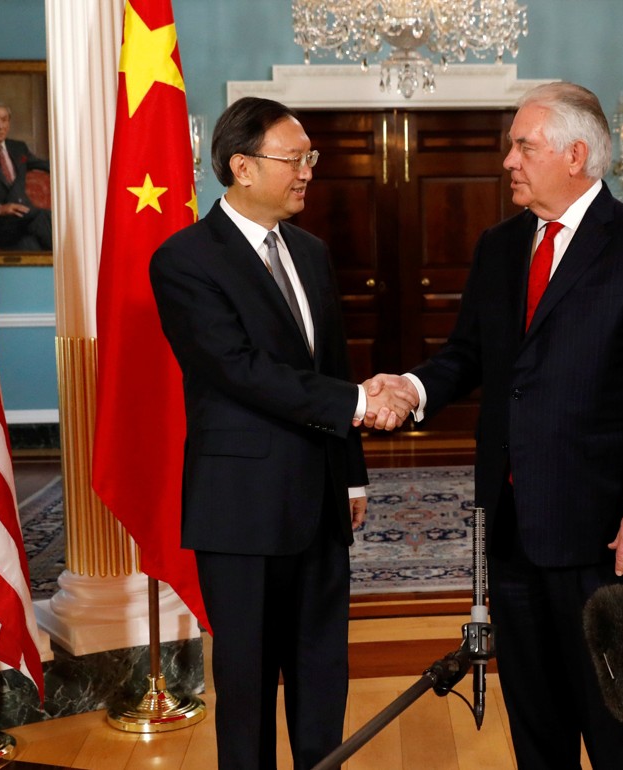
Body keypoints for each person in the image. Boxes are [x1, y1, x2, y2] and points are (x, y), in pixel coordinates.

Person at [366, 82, 623, 769]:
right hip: (511, 525)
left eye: (523, 144)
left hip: (607, 534)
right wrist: (411, 387)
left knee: (618, 725)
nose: (508, 159)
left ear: (575, 155)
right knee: (535, 721)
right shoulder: (499, 247)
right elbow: (467, 354)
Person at [149, 96, 413, 770]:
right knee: (249, 681)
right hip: (240, 506)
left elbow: (331, 364)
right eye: (295, 159)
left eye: (310, 159)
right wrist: (361, 401)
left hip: (321, 498)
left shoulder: (310, 252)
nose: (307, 173)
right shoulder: (184, 260)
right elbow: (240, 371)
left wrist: (351, 472)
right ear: (242, 166)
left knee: (323, 671)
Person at [0, 101, 53, 251]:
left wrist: (76, 168)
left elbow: (46, 165)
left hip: (23, 219)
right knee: (43, 217)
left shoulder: (18, 147)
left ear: (9, 122)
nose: (0, 126)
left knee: (29, 245)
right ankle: (70, 260)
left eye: (4, 120)